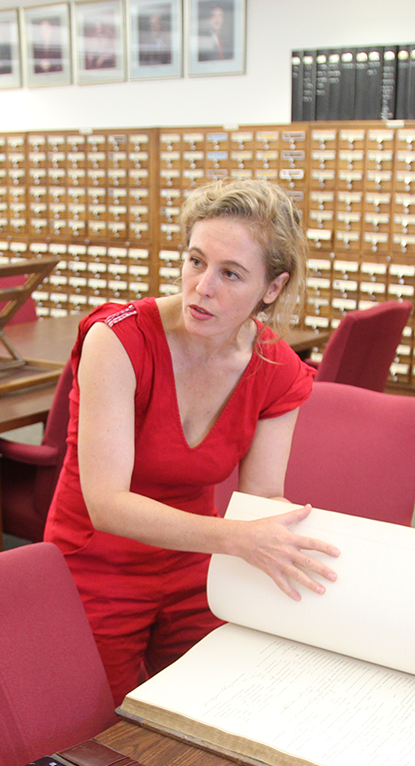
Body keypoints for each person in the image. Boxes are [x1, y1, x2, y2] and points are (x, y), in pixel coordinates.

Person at [44, 179, 337, 703]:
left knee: (207, 708)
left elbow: (263, 496)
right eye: (196, 261)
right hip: (97, 562)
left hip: (195, 562)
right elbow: (106, 505)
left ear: (272, 288)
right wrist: (237, 539)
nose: (202, 287)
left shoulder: (278, 371)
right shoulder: (117, 340)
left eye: (231, 274)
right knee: (89, 726)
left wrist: (289, 531)